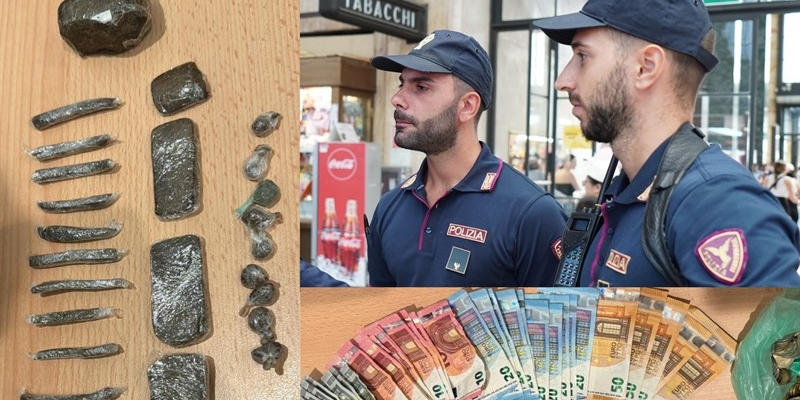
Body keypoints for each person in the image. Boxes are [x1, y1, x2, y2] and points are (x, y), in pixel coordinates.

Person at [535, 0, 800, 286]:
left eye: (583, 56)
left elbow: (773, 330)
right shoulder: (625, 190)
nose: (563, 81)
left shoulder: (718, 203)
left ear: (646, 67)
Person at [366, 29, 567, 287]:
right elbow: (381, 316)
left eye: (421, 87)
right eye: (401, 84)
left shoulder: (532, 214)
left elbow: (553, 323)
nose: (397, 99)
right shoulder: (390, 207)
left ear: (467, 106)